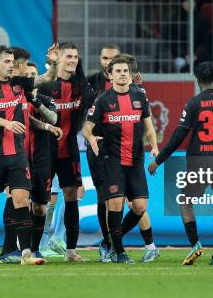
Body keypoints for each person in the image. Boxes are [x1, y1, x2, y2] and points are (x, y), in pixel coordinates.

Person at [0, 44, 59, 266]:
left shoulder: (19, 83)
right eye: (6, 62)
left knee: (21, 200)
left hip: (17, 155)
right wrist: (8, 123)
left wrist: (54, 62)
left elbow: (47, 77)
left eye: (12, 62)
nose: (11, 66)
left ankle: (26, 252)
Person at [148, 61, 213, 266]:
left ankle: (195, 244)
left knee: (185, 201)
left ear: (197, 79)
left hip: (199, 162)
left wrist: (159, 159)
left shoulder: (194, 103)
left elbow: (179, 135)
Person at [83, 56, 159, 264]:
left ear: (130, 73)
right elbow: (86, 129)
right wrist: (91, 138)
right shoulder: (102, 100)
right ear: (110, 75)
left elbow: (149, 126)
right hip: (112, 160)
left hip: (135, 160)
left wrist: (154, 146)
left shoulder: (140, 96)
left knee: (140, 206)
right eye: (118, 71)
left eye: (125, 70)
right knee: (115, 205)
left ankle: (108, 242)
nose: (122, 74)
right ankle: (119, 251)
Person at [0, 47, 62, 264]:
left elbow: (52, 118)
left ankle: (33, 250)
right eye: (27, 72)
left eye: (32, 76)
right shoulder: (8, 91)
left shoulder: (41, 97)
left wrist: (41, 113)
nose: (30, 77)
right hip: (15, 154)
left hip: (41, 157)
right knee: (14, 199)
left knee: (40, 206)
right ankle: (9, 249)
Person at [37, 42, 95, 262]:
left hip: (69, 150)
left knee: (71, 196)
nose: (73, 60)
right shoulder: (45, 84)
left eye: (76, 57)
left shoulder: (80, 86)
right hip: (45, 150)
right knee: (40, 201)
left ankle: (70, 250)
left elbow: (94, 102)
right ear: (58, 58)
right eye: (68, 56)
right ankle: (33, 248)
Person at [86, 45, 120, 261]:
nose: (108, 61)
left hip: (121, 147)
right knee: (102, 196)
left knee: (120, 198)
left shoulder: (129, 82)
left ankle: (118, 243)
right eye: (105, 57)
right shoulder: (92, 81)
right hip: (97, 146)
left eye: (113, 58)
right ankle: (107, 244)